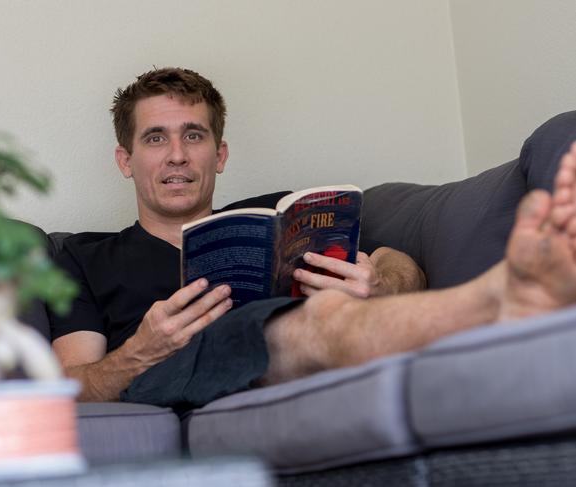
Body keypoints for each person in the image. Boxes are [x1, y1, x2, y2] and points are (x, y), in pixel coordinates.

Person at [50, 67, 576, 408]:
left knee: (332, 312)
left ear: (221, 153)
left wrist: (382, 282)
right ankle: (499, 303)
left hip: (306, 352)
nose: (178, 156)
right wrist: (141, 351)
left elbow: (399, 260)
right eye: (155, 139)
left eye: (194, 135)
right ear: (126, 160)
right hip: (173, 375)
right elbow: (72, 388)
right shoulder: (85, 257)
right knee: (321, 319)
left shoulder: (279, 213)